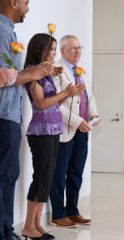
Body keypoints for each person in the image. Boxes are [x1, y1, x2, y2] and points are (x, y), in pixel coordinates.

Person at [0, 1, 55, 239]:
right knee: (5, 176)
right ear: (14, 2)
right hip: (4, 116)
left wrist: (35, 73)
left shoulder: (9, 31)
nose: (28, 7)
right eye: (26, 2)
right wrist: (32, 74)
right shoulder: (1, 31)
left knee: (9, 175)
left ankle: (6, 229)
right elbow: (4, 75)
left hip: (11, 115)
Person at [21, 33, 83, 240]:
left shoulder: (45, 73)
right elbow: (40, 104)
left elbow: (51, 100)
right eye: (51, 49)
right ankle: (29, 226)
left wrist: (63, 88)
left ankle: (37, 224)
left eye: (56, 49)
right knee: (40, 179)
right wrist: (66, 93)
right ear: (40, 50)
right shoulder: (32, 72)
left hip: (54, 129)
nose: (54, 53)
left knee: (46, 179)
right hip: (41, 131)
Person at [50, 35, 99, 228]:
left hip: (82, 130)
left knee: (76, 172)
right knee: (59, 173)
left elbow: (89, 96)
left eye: (79, 47)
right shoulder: (57, 70)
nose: (78, 51)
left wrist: (94, 115)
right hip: (65, 130)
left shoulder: (81, 71)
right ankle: (58, 213)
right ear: (62, 51)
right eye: (72, 48)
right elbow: (55, 102)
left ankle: (72, 210)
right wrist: (78, 121)